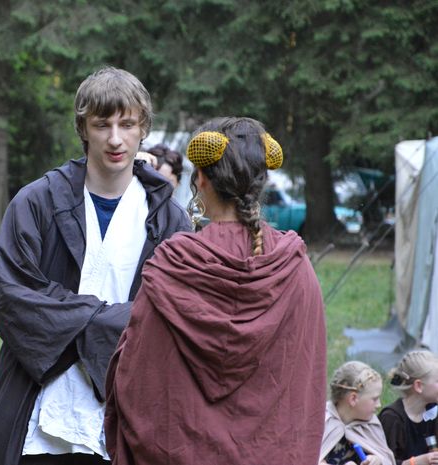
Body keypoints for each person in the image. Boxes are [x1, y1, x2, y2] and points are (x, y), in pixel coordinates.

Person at [0, 66, 191, 465]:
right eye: (102, 124)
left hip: (127, 416)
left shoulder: (169, 221)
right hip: (37, 417)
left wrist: (73, 318)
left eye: (127, 124)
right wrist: (113, 319)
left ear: (143, 128)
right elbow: (11, 300)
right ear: (83, 128)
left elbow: (175, 317)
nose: (115, 138)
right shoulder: (36, 203)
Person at [104, 116, 327, 465]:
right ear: (261, 182)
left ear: (201, 178)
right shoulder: (296, 268)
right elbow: (305, 388)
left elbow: (136, 379)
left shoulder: (173, 267)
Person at [319, 361, 395, 465]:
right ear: (353, 398)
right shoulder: (321, 422)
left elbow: (386, 458)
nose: (379, 405)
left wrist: (377, 460)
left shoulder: (370, 425)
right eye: (374, 399)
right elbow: (305, 459)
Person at [379, 350, 438, 465]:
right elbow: (384, 461)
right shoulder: (392, 418)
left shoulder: (433, 410)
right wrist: (415, 462)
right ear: (418, 386)